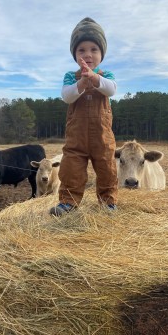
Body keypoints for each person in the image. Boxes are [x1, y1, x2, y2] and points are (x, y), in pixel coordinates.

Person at [50, 17, 118, 216]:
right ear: (75, 54)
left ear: (101, 54)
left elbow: (111, 90)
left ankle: (108, 203)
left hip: (102, 137)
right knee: (71, 168)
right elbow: (66, 96)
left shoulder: (107, 76)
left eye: (93, 49)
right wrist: (81, 84)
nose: (88, 54)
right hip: (76, 137)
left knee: (107, 168)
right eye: (81, 50)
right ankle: (68, 202)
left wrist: (95, 78)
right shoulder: (71, 77)